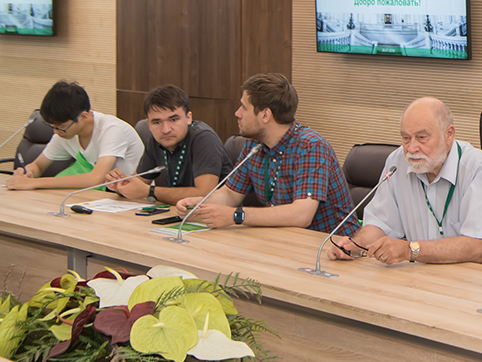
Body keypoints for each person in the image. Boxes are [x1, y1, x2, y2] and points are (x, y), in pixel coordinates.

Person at [327, 97, 482, 268]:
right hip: (429, 271)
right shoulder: (397, 162)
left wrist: (410, 250)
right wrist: (356, 245)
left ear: (449, 134)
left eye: (421, 137)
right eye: (405, 138)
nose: (411, 148)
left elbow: (476, 248)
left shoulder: (478, 167)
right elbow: (380, 224)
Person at [174, 73, 354, 233]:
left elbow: (302, 215)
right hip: (282, 239)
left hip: (329, 246)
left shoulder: (310, 146)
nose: (237, 113)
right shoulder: (254, 144)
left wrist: (237, 216)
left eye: (243, 107)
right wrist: (198, 204)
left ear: (265, 115)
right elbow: (230, 194)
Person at [105, 85, 234, 205]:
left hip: (215, 217)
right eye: (156, 122)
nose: (166, 129)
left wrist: (149, 191)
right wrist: (121, 185)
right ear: (148, 124)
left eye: (173, 120)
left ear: (188, 118)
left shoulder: (204, 139)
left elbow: (204, 194)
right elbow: (139, 183)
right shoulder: (157, 140)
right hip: (175, 212)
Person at [6, 81, 143, 191]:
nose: (56, 132)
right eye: (52, 127)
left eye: (60, 127)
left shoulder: (112, 129)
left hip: (129, 197)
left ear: (84, 116)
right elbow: (39, 165)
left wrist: (34, 183)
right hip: (97, 198)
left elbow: (96, 178)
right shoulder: (64, 133)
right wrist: (27, 173)